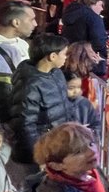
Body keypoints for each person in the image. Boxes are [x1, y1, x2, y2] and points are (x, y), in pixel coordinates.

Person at [8, 33, 73, 171]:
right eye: (64, 54)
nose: (66, 57)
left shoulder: (56, 73)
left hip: (56, 146)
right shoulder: (29, 84)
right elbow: (25, 125)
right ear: (52, 56)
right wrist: (39, 156)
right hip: (39, 153)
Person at [61, 0, 108, 75]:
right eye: (101, 5)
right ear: (93, 3)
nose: (102, 9)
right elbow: (99, 42)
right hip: (86, 58)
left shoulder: (71, 12)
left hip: (69, 55)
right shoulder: (94, 18)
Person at [64, 41, 106, 108]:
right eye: (91, 51)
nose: (94, 53)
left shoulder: (69, 69)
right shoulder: (88, 70)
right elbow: (102, 72)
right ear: (84, 55)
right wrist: (100, 62)